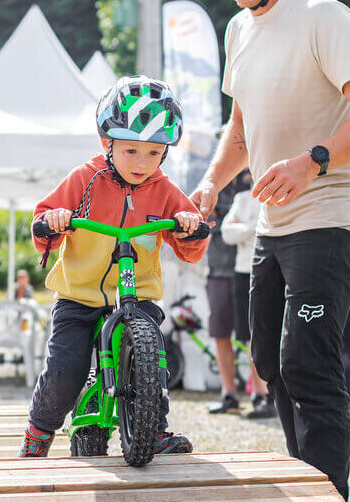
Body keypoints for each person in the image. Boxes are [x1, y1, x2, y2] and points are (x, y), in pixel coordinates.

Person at [186, 0, 350, 498]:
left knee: (308, 363)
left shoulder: (321, 15)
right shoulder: (237, 28)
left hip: (330, 213)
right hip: (271, 222)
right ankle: (305, 481)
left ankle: (329, 492)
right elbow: (241, 129)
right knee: (270, 365)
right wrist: (210, 183)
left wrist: (313, 161)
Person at [20, 75, 209, 458]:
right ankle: (38, 432)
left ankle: (153, 428)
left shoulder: (165, 190)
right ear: (107, 144)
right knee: (64, 373)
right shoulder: (85, 178)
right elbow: (43, 220)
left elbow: (193, 245)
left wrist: (190, 227)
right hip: (80, 297)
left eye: (154, 153)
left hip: (135, 296)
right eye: (131, 151)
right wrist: (54, 219)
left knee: (151, 357)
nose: (143, 164)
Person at [220, 181, 276, 420]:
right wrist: (254, 228)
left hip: (272, 268)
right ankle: (259, 394)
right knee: (250, 334)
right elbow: (226, 233)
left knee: (267, 333)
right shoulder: (243, 197)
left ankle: (268, 394)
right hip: (244, 271)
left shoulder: (278, 192)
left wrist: (243, 228)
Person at [204, 170, 252, 415]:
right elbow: (206, 220)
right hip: (219, 267)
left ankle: (262, 394)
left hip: (250, 266)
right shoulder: (213, 181)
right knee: (220, 332)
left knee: (254, 333)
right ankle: (229, 392)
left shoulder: (255, 175)